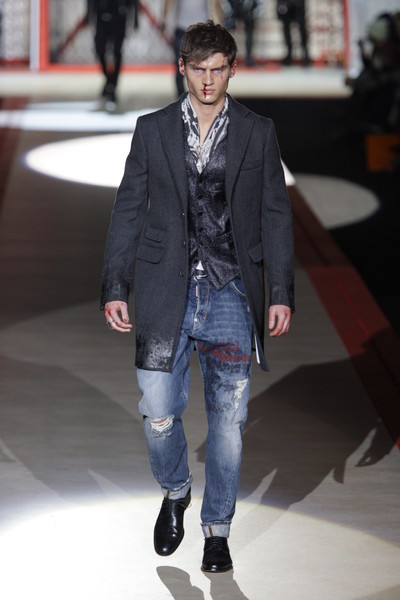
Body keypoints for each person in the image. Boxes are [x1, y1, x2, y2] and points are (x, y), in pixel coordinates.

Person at [100, 20, 294, 573]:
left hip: (232, 290)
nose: (208, 81)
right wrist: (115, 285)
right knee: (158, 409)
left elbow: (275, 214)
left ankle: (217, 531)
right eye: (198, 70)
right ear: (182, 68)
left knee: (228, 422)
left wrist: (280, 291)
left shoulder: (258, 131)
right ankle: (177, 488)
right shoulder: (153, 129)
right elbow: (128, 209)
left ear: (232, 70)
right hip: (166, 290)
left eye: (218, 70)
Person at [162, 0, 224, 97]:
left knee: (202, 65)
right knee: (180, 66)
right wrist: (164, 17)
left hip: (202, 31)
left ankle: (199, 95)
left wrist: (220, 24)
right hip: (182, 29)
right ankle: (181, 97)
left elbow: (216, 3)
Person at [87, 0, 139, 108]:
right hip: (102, 15)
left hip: (119, 15)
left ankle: (112, 87)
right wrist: (89, 15)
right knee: (99, 50)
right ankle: (109, 81)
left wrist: (135, 18)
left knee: (117, 53)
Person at [222, 0, 262, 66]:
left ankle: (248, 58)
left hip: (249, 11)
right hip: (233, 9)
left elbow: (260, 4)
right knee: (229, 33)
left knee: (249, 34)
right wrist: (229, 11)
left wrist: (255, 12)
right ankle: (229, 57)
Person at [277, 0, 309, 66]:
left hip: (299, 4)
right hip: (285, 4)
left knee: (302, 30)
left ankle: (305, 54)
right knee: (286, 30)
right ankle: (289, 54)